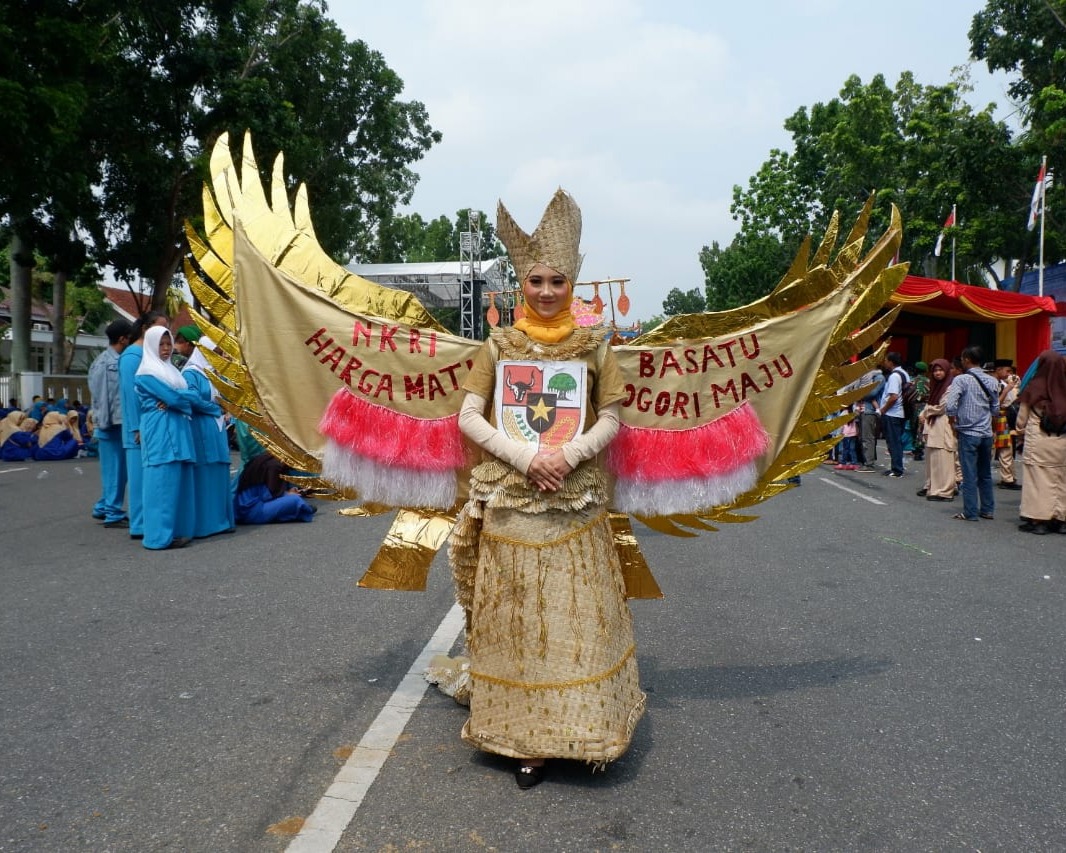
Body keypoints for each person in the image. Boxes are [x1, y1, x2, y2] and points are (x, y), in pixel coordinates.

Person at [447, 190, 643, 789]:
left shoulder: (594, 348)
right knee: (519, 621)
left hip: (574, 503)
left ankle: (583, 731)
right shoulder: (498, 346)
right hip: (512, 499)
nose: (547, 291)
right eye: (536, 280)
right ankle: (523, 739)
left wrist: (567, 454)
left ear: (572, 283)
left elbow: (610, 418)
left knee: (572, 622)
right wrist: (527, 456)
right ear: (521, 283)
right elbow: (469, 417)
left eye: (558, 280)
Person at [135, 326, 197, 550]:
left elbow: (189, 397)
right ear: (151, 345)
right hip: (159, 428)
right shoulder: (146, 373)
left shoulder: (172, 371)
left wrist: (177, 398)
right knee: (159, 483)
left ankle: (176, 532)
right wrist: (178, 398)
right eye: (160, 344)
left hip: (177, 427)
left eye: (168, 343)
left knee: (177, 482)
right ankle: (157, 538)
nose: (166, 348)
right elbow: (179, 399)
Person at [119, 311, 169, 540]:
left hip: (151, 425)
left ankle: (147, 522)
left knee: (149, 478)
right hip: (139, 428)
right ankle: (139, 525)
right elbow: (131, 396)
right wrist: (136, 428)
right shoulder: (132, 356)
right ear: (145, 329)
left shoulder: (148, 355)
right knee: (140, 479)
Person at [182, 336, 236, 537]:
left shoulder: (213, 374)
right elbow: (191, 398)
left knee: (219, 470)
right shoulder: (191, 373)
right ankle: (206, 524)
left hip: (218, 428)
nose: (218, 355)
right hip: (202, 428)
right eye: (214, 351)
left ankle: (222, 521)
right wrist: (215, 409)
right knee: (205, 471)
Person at [944, 346, 999, 522]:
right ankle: (988, 509)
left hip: (967, 432)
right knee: (985, 473)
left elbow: (950, 405)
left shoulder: (961, 380)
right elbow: (996, 409)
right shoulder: (992, 380)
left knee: (969, 474)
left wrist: (954, 424)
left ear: (967, 359)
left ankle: (970, 512)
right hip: (986, 432)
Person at [1015, 350, 1066, 534]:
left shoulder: (1034, 387)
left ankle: (1039, 520)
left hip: (1039, 440)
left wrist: (1020, 432)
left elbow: (1021, 421)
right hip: (1061, 442)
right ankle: (1061, 520)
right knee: (1061, 480)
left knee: (1038, 481)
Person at [88, 318, 133, 527]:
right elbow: (105, 398)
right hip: (111, 426)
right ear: (123, 339)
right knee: (115, 472)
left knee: (115, 472)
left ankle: (103, 507)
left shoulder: (106, 360)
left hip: (110, 425)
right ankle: (112, 513)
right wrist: (105, 423)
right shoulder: (109, 364)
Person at [234, 452, 317, 524]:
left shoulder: (268, 458)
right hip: (252, 511)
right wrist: (287, 494)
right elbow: (268, 495)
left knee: (290, 499)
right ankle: (304, 509)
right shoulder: (274, 466)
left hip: (244, 507)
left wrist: (287, 492)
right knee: (295, 500)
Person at [915, 359, 956, 501]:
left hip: (943, 424)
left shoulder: (950, 386)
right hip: (933, 425)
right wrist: (923, 413)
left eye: (940, 370)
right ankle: (932, 486)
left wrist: (926, 413)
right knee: (932, 459)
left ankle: (945, 491)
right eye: (935, 370)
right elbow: (930, 404)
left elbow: (943, 406)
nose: (938, 373)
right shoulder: (935, 386)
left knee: (943, 458)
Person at [877, 352, 908, 477]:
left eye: (886, 360)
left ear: (891, 362)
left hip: (892, 413)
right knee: (897, 441)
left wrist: (883, 409)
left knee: (893, 442)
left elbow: (893, 396)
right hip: (901, 413)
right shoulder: (904, 374)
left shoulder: (894, 376)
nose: (885, 363)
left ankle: (896, 469)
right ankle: (897, 466)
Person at [992, 359, 1021, 490]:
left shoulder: (1006, 383)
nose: (1010, 373)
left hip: (1008, 417)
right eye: (1007, 370)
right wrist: (1007, 390)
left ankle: (1010, 477)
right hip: (1001, 417)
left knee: (1009, 449)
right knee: (1005, 449)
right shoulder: (995, 384)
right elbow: (995, 404)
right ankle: (1007, 479)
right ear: (998, 370)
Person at [910, 361, 929, 461]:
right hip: (925, 407)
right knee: (921, 428)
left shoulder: (912, 381)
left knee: (914, 427)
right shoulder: (929, 381)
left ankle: (915, 448)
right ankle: (919, 450)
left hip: (914, 407)